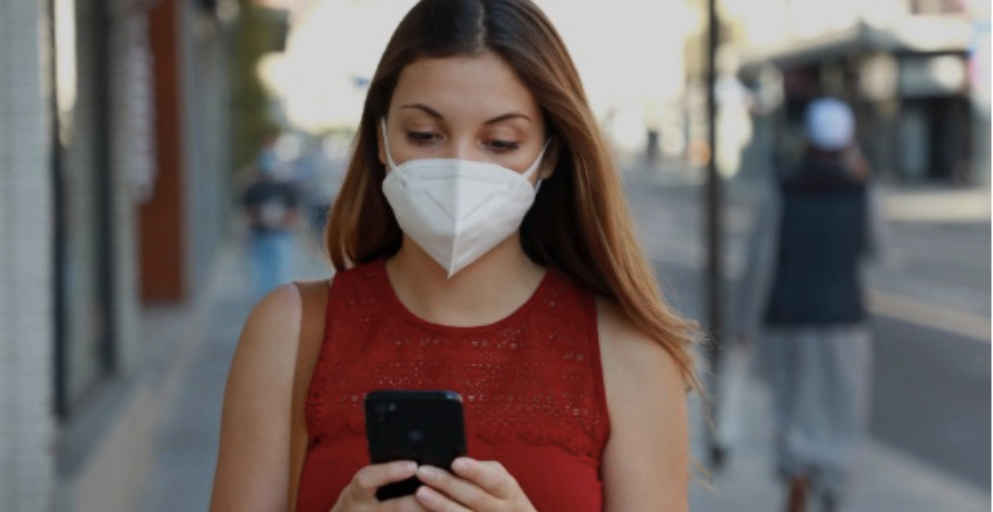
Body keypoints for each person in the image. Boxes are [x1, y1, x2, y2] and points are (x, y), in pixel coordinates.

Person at [210, 1, 698, 511]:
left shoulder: (629, 355)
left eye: (501, 142)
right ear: (380, 137)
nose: (460, 166)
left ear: (550, 155)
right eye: (424, 135)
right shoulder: (289, 334)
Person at [732, 97, 885, 512]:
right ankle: (834, 490)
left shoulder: (782, 188)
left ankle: (798, 477)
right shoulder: (862, 189)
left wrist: (744, 323)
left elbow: (760, 263)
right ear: (848, 142)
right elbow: (876, 247)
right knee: (842, 412)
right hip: (844, 319)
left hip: (788, 318)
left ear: (806, 141)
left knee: (793, 409)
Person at [243, 139, 302, 300]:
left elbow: (294, 212)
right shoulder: (254, 188)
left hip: (280, 238)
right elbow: (248, 212)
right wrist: (261, 219)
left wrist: (282, 220)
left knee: (280, 277)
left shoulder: (285, 187)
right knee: (261, 279)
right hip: (260, 238)